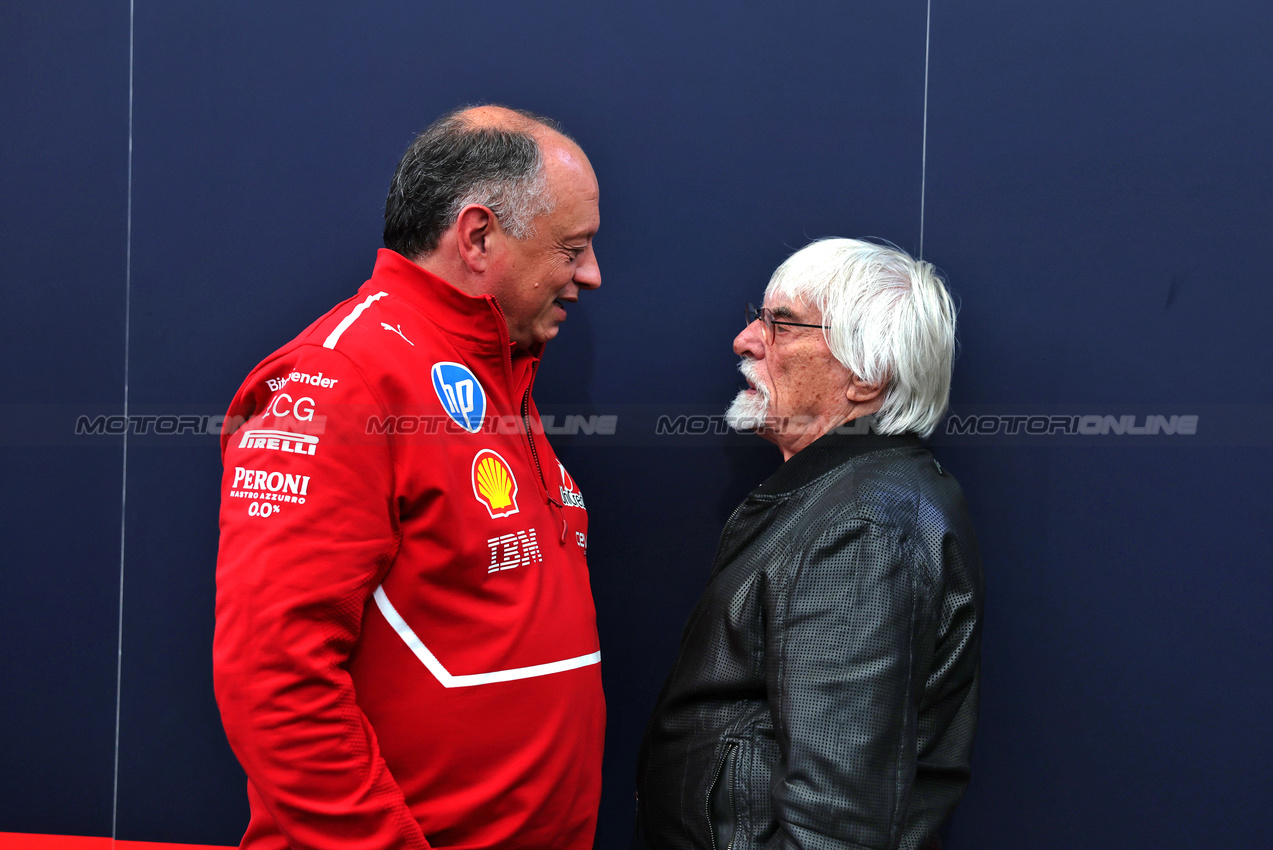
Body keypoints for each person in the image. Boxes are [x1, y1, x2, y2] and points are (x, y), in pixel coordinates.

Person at [213, 105, 604, 850]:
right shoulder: (341, 376)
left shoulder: (497, 370)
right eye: (572, 247)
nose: (589, 275)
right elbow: (273, 679)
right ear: (479, 235)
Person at [634, 239, 984, 850]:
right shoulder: (851, 501)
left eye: (781, 324)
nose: (746, 340)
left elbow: (836, 822)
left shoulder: (864, 528)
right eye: (757, 316)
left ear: (867, 379)